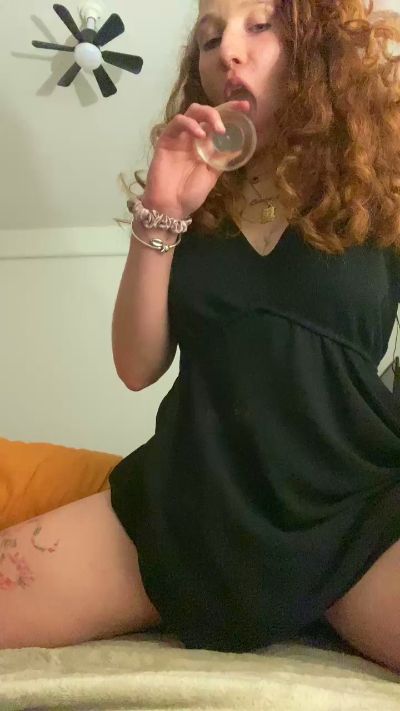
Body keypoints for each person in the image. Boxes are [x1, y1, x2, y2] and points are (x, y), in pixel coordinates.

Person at [2, 0, 400, 675]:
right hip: (190, 501)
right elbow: (136, 366)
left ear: (317, 46)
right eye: (210, 39)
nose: (227, 52)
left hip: (351, 510)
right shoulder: (194, 197)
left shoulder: (381, 185)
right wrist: (161, 212)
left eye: (259, 25)